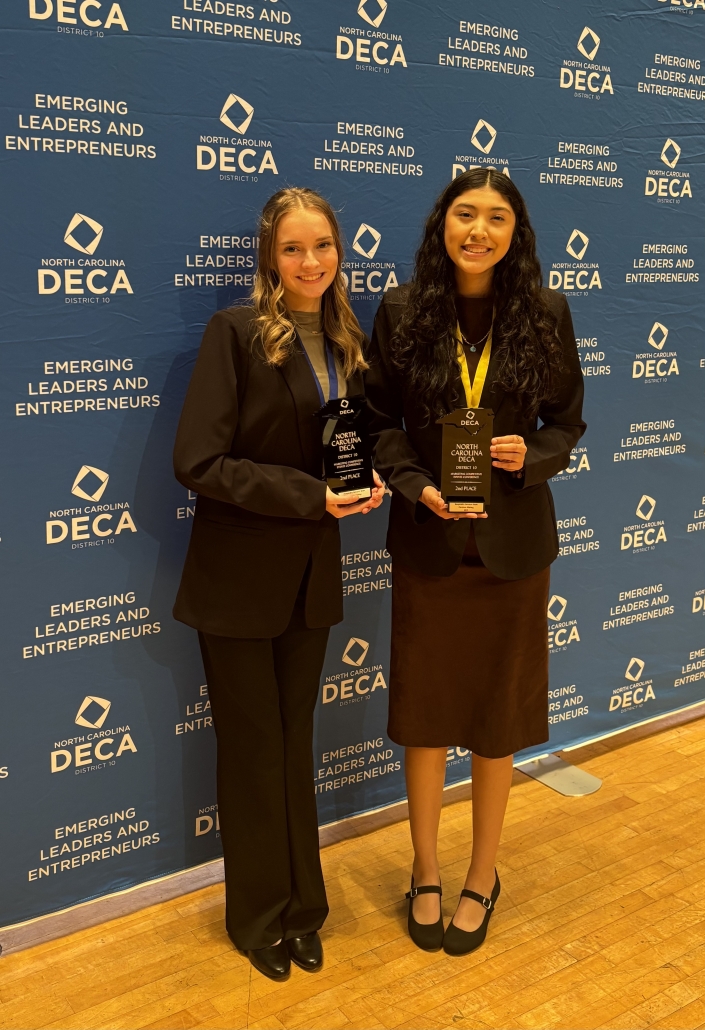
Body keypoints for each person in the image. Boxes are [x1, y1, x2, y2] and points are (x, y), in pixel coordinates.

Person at [365, 169, 585, 956]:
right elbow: (375, 423)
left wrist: (533, 454)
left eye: (496, 218)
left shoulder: (545, 312)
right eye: (465, 214)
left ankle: (480, 874)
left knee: (497, 720)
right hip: (428, 545)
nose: (478, 230)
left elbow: (567, 422)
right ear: (442, 225)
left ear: (515, 233)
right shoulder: (398, 311)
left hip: (512, 551)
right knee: (422, 720)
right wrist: (417, 484)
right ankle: (424, 870)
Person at [173, 187, 385, 980]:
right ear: (270, 256)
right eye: (293, 248)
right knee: (254, 750)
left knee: (295, 747)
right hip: (235, 580)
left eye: (322, 246)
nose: (310, 262)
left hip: (309, 578)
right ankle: (257, 917)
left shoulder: (344, 338)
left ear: (339, 253)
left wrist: (366, 483)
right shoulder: (233, 332)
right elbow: (199, 462)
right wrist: (310, 498)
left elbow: (344, 444)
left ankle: (304, 909)